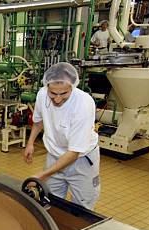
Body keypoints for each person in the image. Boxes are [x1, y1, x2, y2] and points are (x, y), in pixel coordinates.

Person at [23, 62, 100, 210]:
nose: (57, 99)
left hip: (81, 161)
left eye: (63, 94)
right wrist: (30, 142)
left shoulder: (83, 104)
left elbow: (74, 152)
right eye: (53, 94)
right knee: (49, 200)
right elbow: (38, 122)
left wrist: (42, 175)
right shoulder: (41, 95)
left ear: (72, 86)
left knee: (83, 206)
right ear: (47, 87)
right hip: (54, 156)